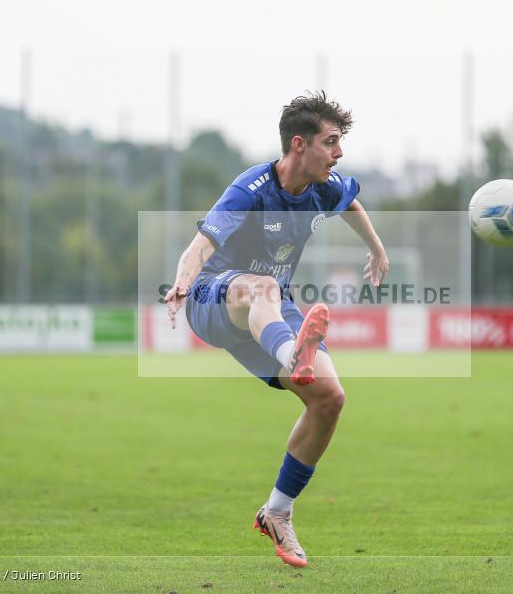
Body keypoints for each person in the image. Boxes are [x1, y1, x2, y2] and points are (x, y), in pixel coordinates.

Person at [164, 91, 389, 567]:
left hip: (269, 310)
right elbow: (200, 245)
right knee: (264, 286)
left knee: (330, 398)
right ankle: (293, 355)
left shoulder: (321, 186)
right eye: (331, 142)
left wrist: (376, 248)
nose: (339, 152)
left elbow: (350, 202)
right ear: (299, 144)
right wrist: (182, 282)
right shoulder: (250, 188)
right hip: (213, 299)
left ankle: (277, 513)